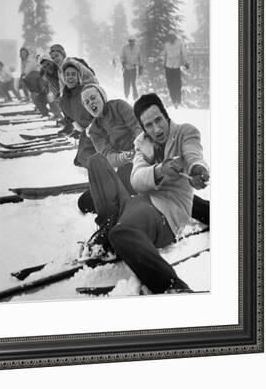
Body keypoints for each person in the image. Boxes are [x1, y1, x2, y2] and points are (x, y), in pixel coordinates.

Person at [86, 92, 210, 294]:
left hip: (163, 212)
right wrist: (159, 169)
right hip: (137, 202)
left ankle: (172, 286)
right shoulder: (142, 143)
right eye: (149, 125)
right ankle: (108, 226)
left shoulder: (185, 132)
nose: (157, 129)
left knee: (121, 233)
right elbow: (136, 180)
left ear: (166, 115)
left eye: (158, 120)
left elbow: (192, 154)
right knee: (96, 162)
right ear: (143, 128)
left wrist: (197, 168)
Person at [78, 84, 142, 212]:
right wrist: (122, 157)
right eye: (87, 102)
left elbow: (137, 127)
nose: (91, 103)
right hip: (126, 164)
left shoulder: (119, 106)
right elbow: (107, 156)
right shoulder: (94, 131)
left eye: (93, 98)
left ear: (102, 97)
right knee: (86, 201)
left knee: (145, 183)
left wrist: (138, 149)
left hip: (145, 153)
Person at [59, 61, 97, 168]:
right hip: (87, 132)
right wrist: (78, 128)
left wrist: (92, 127)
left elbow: (100, 111)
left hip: (99, 129)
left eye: (73, 74)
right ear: (63, 77)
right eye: (67, 75)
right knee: (80, 160)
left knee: (85, 158)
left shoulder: (86, 91)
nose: (70, 77)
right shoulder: (63, 100)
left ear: (78, 77)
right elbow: (69, 117)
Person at [163, 34, 189, 108]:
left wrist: (186, 62)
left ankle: (178, 99)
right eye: (169, 37)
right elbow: (165, 55)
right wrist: (164, 63)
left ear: (174, 37)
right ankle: (174, 101)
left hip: (176, 67)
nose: (170, 39)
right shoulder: (167, 44)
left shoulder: (180, 43)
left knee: (177, 84)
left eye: (172, 37)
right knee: (170, 85)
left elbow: (184, 53)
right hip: (168, 66)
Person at [120, 37, 143, 101]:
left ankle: (135, 97)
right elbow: (122, 56)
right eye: (130, 41)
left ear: (134, 41)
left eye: (132, 41)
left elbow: (140, 58)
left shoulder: (137, 48)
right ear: (129, 41)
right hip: (126, 68)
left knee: (133, 83)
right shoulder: (125, 48)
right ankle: (126, 96)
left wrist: (141, 67)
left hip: (133, 68)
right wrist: (123, 62)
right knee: (126, 83)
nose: (131, 42)